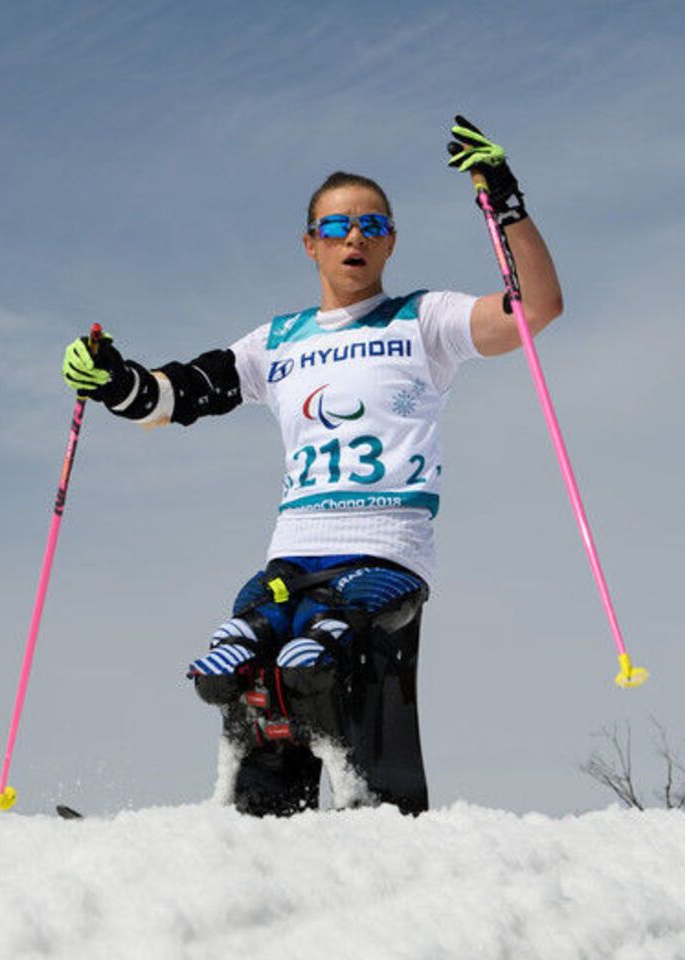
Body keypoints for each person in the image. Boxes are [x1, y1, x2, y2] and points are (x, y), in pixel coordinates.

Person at [62, 116, 563, 816]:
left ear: (391, 240)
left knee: (335, 663)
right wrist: (115, 381)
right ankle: (259, 824)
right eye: (336, 226)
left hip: (384, 552)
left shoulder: (423, 319)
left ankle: (379, 829)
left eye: (371, 225)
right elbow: (177, 394)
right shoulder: (278, 341)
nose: (355, 237)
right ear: (311, 243)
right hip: (295, 551)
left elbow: (536, 308)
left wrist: (504, 201)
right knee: (262, 657)